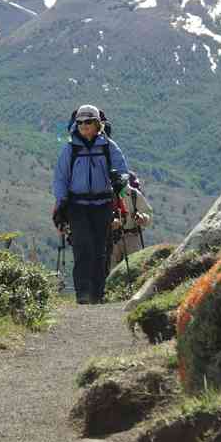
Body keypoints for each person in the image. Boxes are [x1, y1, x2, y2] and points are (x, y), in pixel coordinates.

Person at [52, 104, 129, 304]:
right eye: (80, 122)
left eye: (88, 122)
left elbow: (123, 171)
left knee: (100, 249)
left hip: (103, 204)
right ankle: (83, 294)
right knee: (82, 247)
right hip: (77, 205)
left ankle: (97, 293)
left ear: (97, 124)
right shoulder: (71, 149)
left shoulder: (108, 146)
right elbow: (61, 178)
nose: (83, 126)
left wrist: (120, 182)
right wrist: (61, 204)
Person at [109, 172, 154, 272]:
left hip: (131, 237)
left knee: (134, 270)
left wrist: (143, 218)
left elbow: (148, 213)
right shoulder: (106, 194)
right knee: (111, 271)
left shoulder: (134, 194)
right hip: (111, 239)